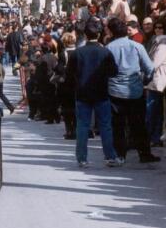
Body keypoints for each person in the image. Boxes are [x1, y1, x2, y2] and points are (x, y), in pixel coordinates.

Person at [65, 17, 121, 167]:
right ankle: (110, 156)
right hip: (101, 93)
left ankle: (82, 158)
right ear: (99, 34)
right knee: (105, 125)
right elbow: (114, 71)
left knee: (82, 126)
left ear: (85, 35)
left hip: (82, 94)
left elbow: (69, 75)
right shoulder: (105, 52)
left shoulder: (77, 53)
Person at [106, 17, 159, 163]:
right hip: (135, 90)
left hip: (115, 91)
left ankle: (119, 154)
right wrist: (144, 81)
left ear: (111, 32)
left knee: (118, 126)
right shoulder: (137, 46)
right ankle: (144, 154)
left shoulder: (109, 48)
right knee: (139, 124)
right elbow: (150, 68)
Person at [145, 19, 166, 147]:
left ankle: (152, 137)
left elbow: (155, 63)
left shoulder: (164, 44)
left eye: (160, 27)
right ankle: (155, 138)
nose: (157, 29)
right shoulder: (158, 41)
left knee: (152, 111)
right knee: (156, 112)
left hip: (159, 80)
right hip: (158, 80)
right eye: (156, 27)